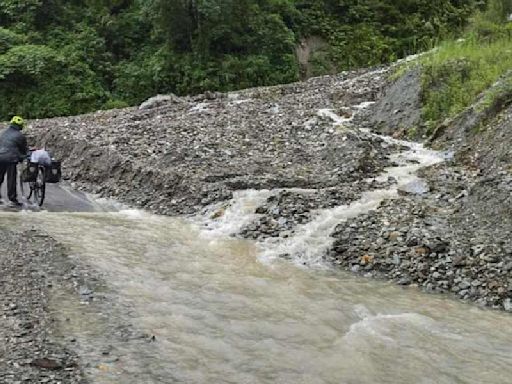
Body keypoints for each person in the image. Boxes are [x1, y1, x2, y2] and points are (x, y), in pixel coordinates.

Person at [0, 116, 28, 206]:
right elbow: (23, 150)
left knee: (0, 177)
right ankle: (12, 199)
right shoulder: (20, 136)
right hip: (11, 158)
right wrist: (23, 157)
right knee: (11, 179)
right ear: (20, 126)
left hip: (0, 156)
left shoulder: (3, 133)